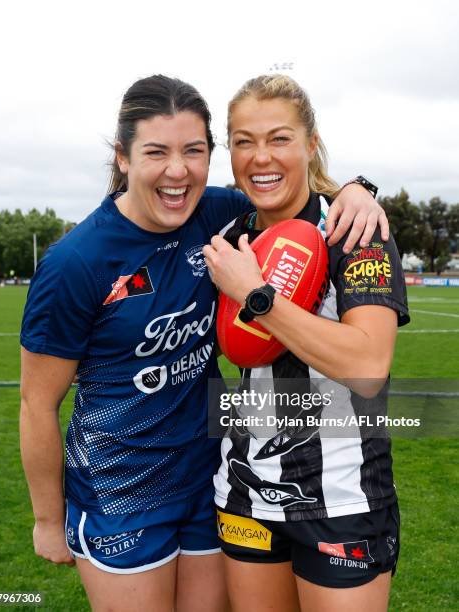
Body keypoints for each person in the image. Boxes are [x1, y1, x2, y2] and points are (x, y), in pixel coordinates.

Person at [20, 74, 389, 612]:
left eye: (194, 151)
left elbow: (287, 186)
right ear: (122, 157)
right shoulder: (76, 263)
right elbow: (36, 403)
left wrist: (355, 187)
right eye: (156, 152)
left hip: (210, 481)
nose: (178, 170)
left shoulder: (214, 216)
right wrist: (48, 520)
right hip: (121, 492)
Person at [203, 75, 409, 612]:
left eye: (279, 138)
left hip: (344, 497)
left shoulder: (353, 227)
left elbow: (367, 362)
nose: (260, 157)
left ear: (311, 144)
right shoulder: (227, 236)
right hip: (245, 492)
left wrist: (256, 295)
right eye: (243, 141)